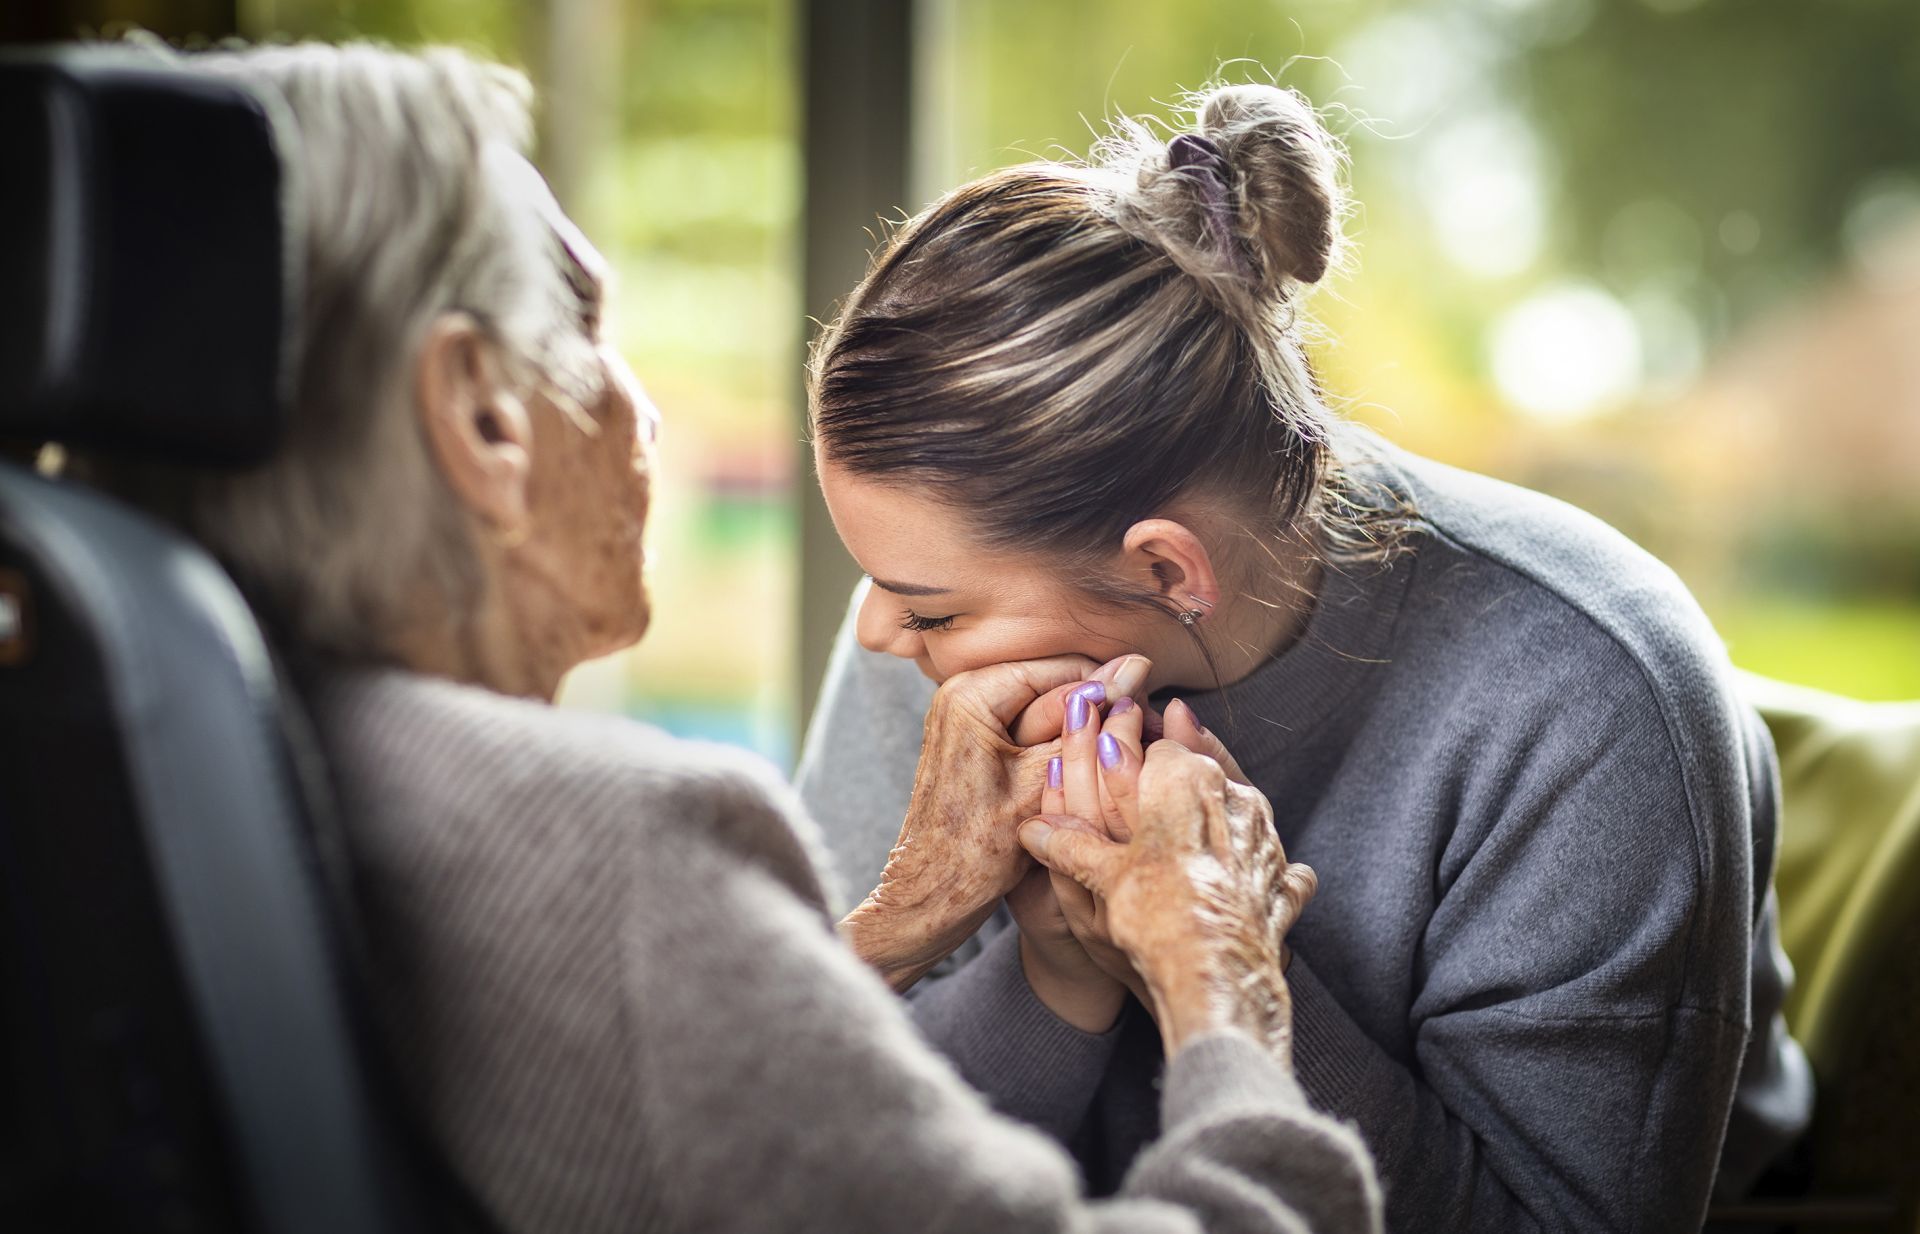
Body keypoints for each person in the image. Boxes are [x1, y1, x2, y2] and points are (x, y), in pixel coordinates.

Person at [87, 40, 1383, 1234]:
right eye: (591, 327)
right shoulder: (622, 849)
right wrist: (1225, 982)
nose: (643, 408)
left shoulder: (180, 743)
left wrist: (892, 926)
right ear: (482, 420)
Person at [798, 80, 1815, 1230]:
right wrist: (1055, 974)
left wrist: (1228, 976)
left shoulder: (1591, 702)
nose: (880, 634)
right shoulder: (952, 625)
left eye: (927, 612)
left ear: (1169, 571)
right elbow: (820, 1163)